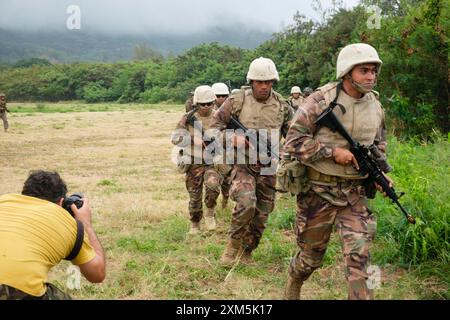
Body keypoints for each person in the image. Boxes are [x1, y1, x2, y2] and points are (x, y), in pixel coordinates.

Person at [283, 43, 389, 300]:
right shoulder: (320, 100)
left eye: (373, 71)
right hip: (318, 192)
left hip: (353, 195)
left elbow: (378, 144)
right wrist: (331, 153)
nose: (371, 76)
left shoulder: (375, 105)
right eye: (364, 70)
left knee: (360, 258)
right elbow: (293, 142)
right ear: (347, 72)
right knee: (310, 258)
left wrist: (380, 174)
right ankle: (295, 280)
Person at [210, 57, 293, 265]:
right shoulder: (237, 101)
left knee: (262, 214)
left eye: (268, 82)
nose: (264, 86)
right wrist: (233, 138)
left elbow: (295, 135)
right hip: (242, 165)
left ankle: (247, 251)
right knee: (247, 202)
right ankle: (233, 245)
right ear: (251, 81)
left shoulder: (282, 106)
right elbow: (212, 130)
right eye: (259, 82)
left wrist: (286, 154)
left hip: (268, 167)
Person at [0, 170, 106, 299]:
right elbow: (97, 274)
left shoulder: (4, 200)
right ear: (61, 202)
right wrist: (86, 224)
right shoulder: (67, 222)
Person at [171, 85, 223, 234]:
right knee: (194, 197)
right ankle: (195, 224)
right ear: (196, 103)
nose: (206, 107)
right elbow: (175, 138)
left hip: (212, 162)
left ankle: (210, 213)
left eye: (209, 104)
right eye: (202, 104)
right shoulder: (188, 118)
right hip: (194, 162)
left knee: (213, 187)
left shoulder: (219, 116)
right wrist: (193, 139)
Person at [211, 82, 231, 208]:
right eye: (218, 96)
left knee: (227, 179)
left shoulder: (231, 111)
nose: (221, 99)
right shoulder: (207, 110)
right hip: (211, 149)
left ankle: (225, 198)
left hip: (227, 149)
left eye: (224, 96)